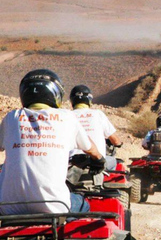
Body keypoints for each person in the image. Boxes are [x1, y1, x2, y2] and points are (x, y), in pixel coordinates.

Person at [0, 69, 105, 215]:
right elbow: (91, 148)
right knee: (82, 203)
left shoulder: (11, 118)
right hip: (55, 207)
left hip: (9, 208)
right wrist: (98, 159)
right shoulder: (67, 117)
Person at [69, 84, 122, 170]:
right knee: (113, 161)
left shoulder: (67, 116)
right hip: (96, 163)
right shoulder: (98, 114)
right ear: (89, 100)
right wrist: (119, 144)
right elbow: (115, 141)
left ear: (72, 100)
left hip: (71, 163)